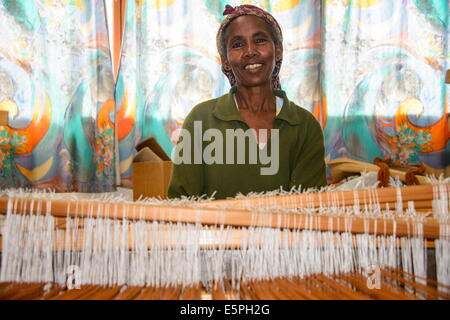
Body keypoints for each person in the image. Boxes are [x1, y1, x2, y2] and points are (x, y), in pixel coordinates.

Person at [168, 4, 326, 199]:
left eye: (260, 41)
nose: (250, 51)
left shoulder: (304, 125)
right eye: (237, 44)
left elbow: (310, 210)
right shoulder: (200, 120)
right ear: (225, 60)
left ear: (278, 51)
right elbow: (181, 203)